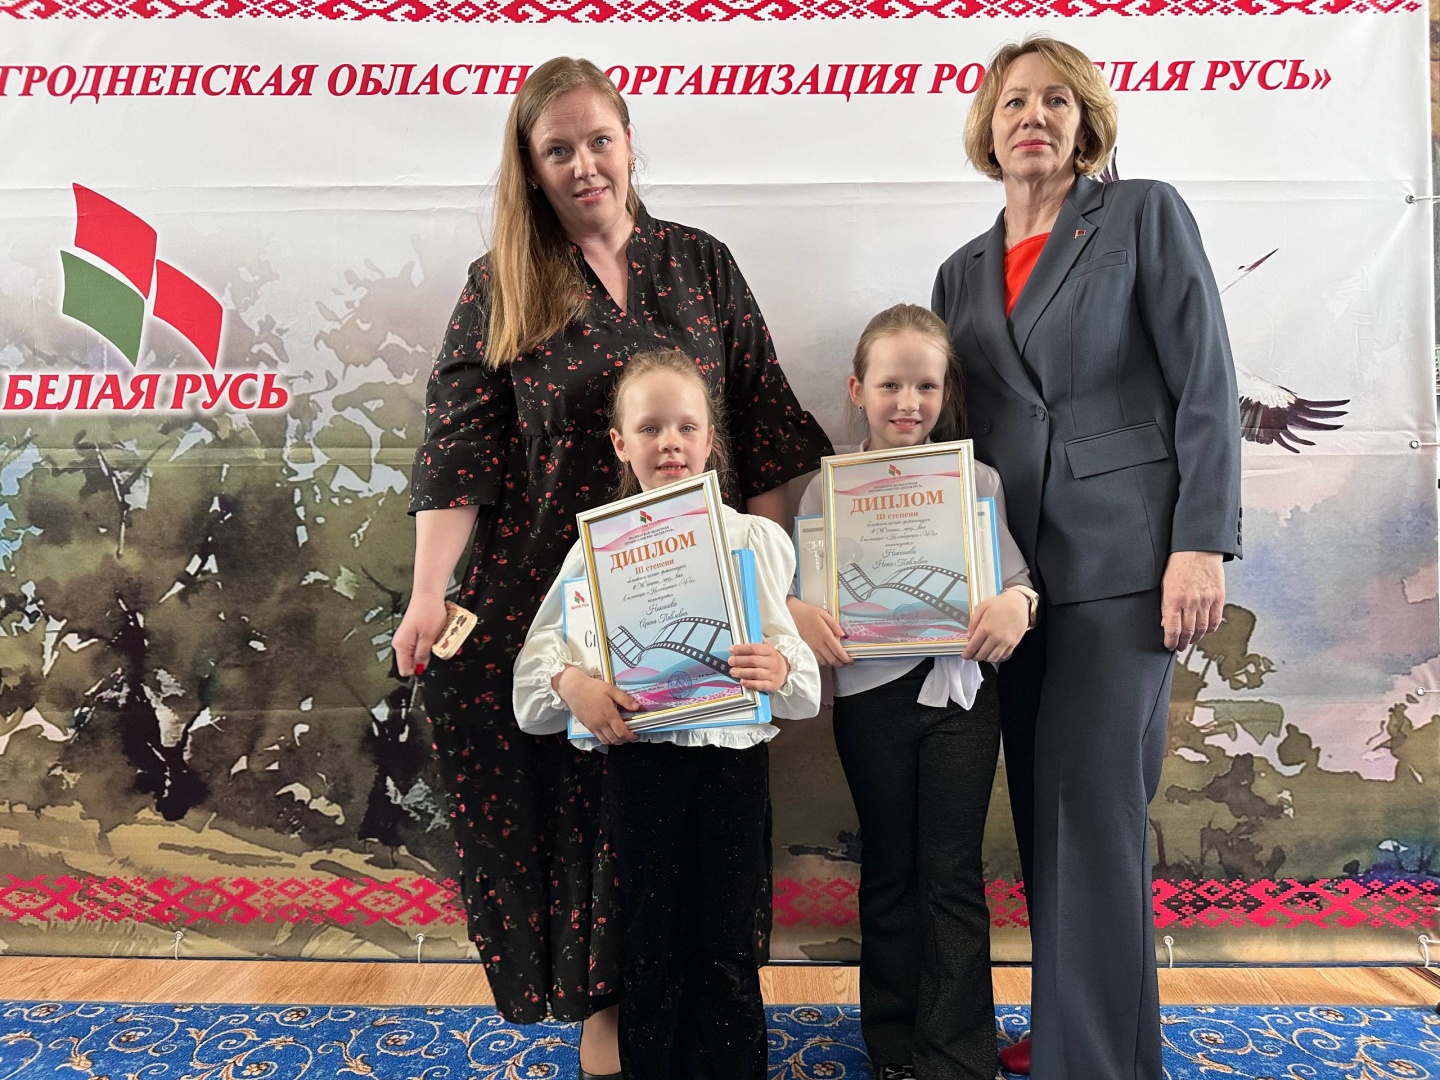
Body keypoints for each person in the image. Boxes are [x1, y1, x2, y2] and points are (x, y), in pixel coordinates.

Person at [393, 57, 832, 1079]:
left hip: (697, 606)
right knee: (581, 794)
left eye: (599, 140)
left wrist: (771, 593)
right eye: (559, 150)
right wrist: (426, 595)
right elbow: (460, 452)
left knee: (678, 824)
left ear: (630, 143)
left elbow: (765, 429)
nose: (585, 164)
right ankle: (606, 1019)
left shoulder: (703, 264)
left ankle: (691, 1024)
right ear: (531, 166)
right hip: (556, 597)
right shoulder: (501, 283)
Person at [931, 36, 1241, 1080]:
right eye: (1014, 100)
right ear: (987, 127)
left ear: (1086, 121)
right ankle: (1077, 1031)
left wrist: (1200, 541)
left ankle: (1097, 1062)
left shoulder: (1143, 214)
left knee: (1093, 817)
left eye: (1057, 99)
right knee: (1044, 813)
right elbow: (953, 435)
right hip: (1013, 581)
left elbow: (1206, 382)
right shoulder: (959, 272)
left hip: (1125, 561)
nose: (1035, 115)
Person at [512, 349, 822, 1080]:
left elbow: (801, 683)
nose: (670, 442)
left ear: (710, 438)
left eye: (686, 426)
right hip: (641, 767)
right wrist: (572, 683)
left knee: (726, 939)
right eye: (649, 428)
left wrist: (780, 669)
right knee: (647, 938)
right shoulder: (594, 553)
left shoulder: (752, 540)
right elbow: (533, 678)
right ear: (620, 444)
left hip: (732, 767)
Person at [786, 305, 1037, 1080]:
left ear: (946, 392)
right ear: (857, 390)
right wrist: (796, 613)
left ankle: (956, 1054)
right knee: (891, 868)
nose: (908, 402)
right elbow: (792, 594)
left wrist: (1018, 604)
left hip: (962, 698)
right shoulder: (824, 493)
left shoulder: (977, 481)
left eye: (926, 386)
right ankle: (894, 1044)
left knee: (951, 873)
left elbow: (1020, 580)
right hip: (870, 704)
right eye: (891, 384)